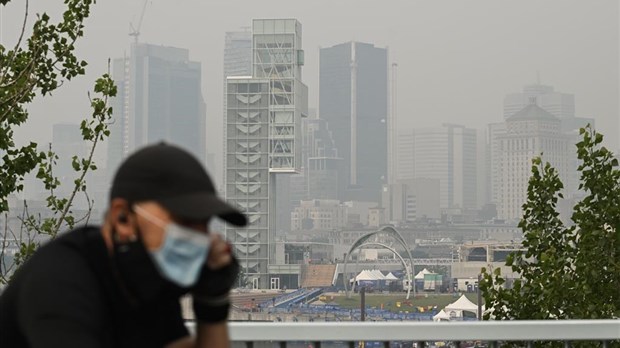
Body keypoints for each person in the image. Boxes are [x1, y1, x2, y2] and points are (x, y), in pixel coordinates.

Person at [0, 143, 247, 347]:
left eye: (203, 223)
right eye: (184, 220)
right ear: (123, 218)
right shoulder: (60, 282)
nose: (199, 236)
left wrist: (212, 302)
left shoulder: (146, 280)